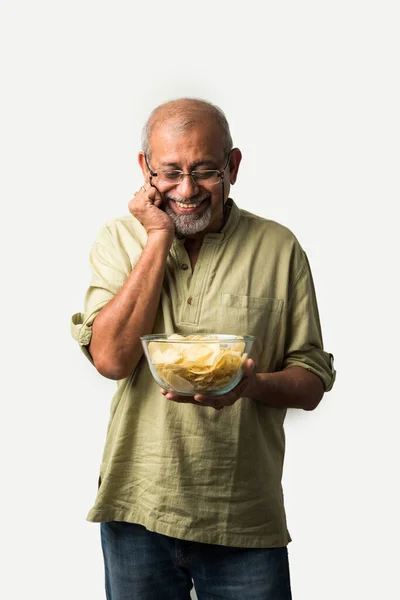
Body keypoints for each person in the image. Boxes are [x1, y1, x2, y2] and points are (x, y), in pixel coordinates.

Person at [71, 97, 335, 600]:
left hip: (244, 519)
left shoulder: (279, 248)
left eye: (205, 171)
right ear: (145, 170)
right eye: (169, 172)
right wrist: (156, 236)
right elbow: (111, 359)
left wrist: (251, 384)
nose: (187, 190)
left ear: (233, 167)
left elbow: (312, 380)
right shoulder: (118, 240)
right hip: (137, 508)